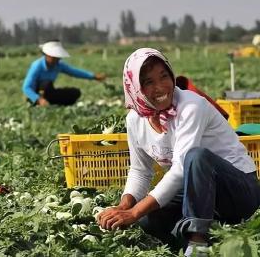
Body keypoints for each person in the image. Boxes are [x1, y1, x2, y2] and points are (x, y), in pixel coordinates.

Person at [97, 48, 260, 256]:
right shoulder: (134, 120)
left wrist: (134, 212)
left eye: (164, 76)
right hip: (197, 193)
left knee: (197, 157)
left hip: (238, 191)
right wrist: (124, 207)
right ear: (135, 88)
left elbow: (182, 168)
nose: (160, 87)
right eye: (148, 82)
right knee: (147, 220)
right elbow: (140, 171)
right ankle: (208, 229)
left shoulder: (191, 106)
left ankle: (197, 242)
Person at [22, 40, 105, 106]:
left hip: (49, 93)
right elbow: (26, 87)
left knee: (75, 93)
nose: (56, 59)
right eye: (54, 57)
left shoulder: (58, 65)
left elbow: (74, 72)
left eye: (58, 57)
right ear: (46, 55)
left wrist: (93, 76)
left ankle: (50, 103)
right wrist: (39, 99)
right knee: (46, 84)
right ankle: (39, 103)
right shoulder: (37, 66)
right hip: (35, 95)